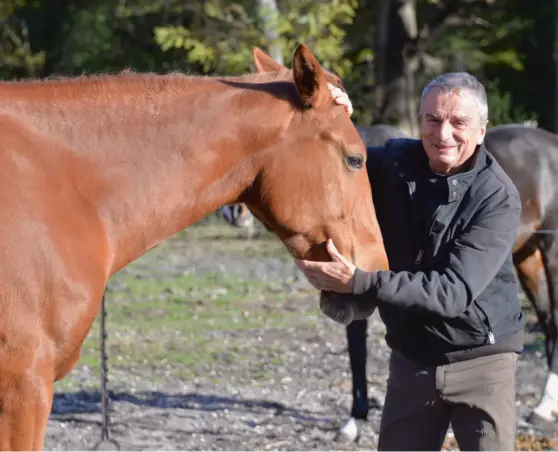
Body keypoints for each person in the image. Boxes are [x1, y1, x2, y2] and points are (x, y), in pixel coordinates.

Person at [297, 73, 524, 451]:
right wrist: (332, 115)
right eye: (432, 120)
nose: (443, 134)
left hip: (483, 364)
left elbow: (452, 293)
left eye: (458, 122)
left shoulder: (497, 198)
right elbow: (333, 158)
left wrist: (358, 281)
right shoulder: (396, 163)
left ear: (482, 131)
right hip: (412, 361)